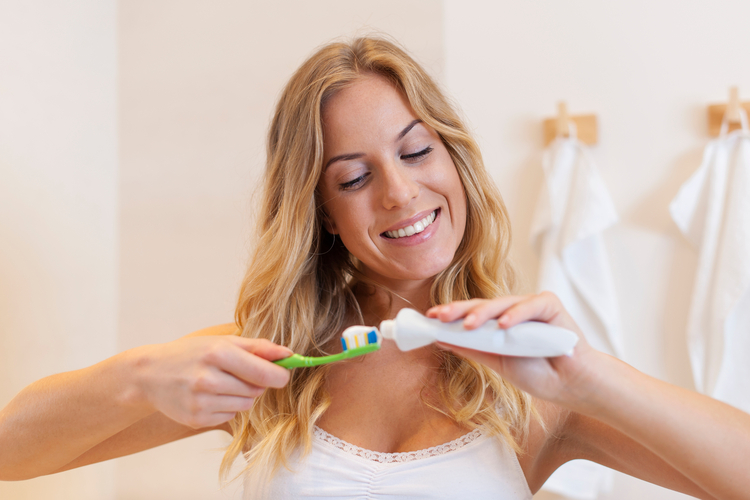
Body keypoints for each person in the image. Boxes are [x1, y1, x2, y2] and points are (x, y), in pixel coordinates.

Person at [1, 36, 748, 500]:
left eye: (417, 151)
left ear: (455, 158)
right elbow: (11, 454)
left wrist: (587, 375)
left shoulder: (536, 386)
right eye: (353, 178)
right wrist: (140, 375)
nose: (400, 192)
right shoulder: (269, 364)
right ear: (323, 210)